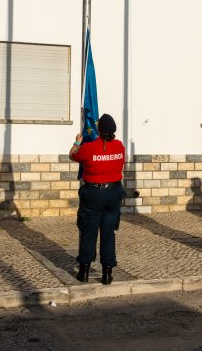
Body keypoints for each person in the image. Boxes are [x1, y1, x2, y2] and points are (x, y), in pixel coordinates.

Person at [69, 114, 126, 285]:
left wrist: (77, 142)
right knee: (108, 233)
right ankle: (107, 274)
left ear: (98, 130)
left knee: (89, 232)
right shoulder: (120, 146)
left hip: (93, 194)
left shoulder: (89, 147)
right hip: (114, 193)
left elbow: (72, 155)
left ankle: (84, 272)